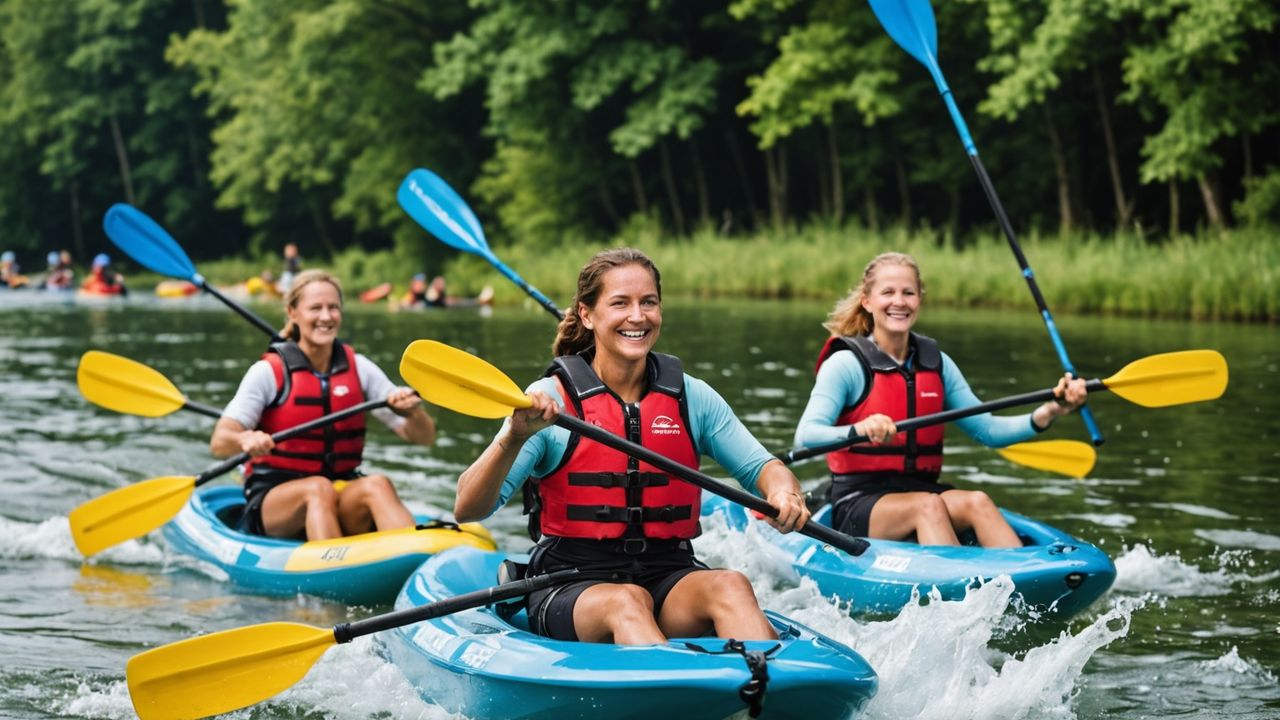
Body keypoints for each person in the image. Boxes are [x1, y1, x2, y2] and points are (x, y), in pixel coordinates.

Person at [455, 248, 810, 645]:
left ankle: (768, 693)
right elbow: (468, 507)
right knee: (627, 600)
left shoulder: (691, 397)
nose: (638, 316)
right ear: (587, 315)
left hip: (667, 575)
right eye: (620, 303)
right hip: (572, 583)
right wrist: (513, 437)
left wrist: (783, 491)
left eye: (649, 303)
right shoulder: (548, 401)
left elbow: (764, 467)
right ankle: (678, 697)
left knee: (731, 584)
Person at [794, 252, 1087, 547]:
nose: (899, 301)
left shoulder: (937, 364)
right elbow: (805, 437)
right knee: (927, 506)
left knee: (978, 501)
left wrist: (1051, 411)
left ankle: (1026, 582)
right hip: (860, 500)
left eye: (908, 292)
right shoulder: (846, 364)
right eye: (888, 292)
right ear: (867, 301)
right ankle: (965, 587)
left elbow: (988, 431)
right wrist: (860, 430)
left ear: (920, 298)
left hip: (924, 490)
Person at [210, 269, 437, 540]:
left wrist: (412, 413)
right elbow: (219, 442)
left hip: (339, 489)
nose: (326, 317)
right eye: (315, 308)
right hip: (275, 501)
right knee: (316, 489)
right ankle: (335, 572)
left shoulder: (359, 368)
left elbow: (424, 438)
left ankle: (416, 560)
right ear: (293, 312)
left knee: (377, 484)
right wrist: (246, 438)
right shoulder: (268, 372)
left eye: (333, 308)